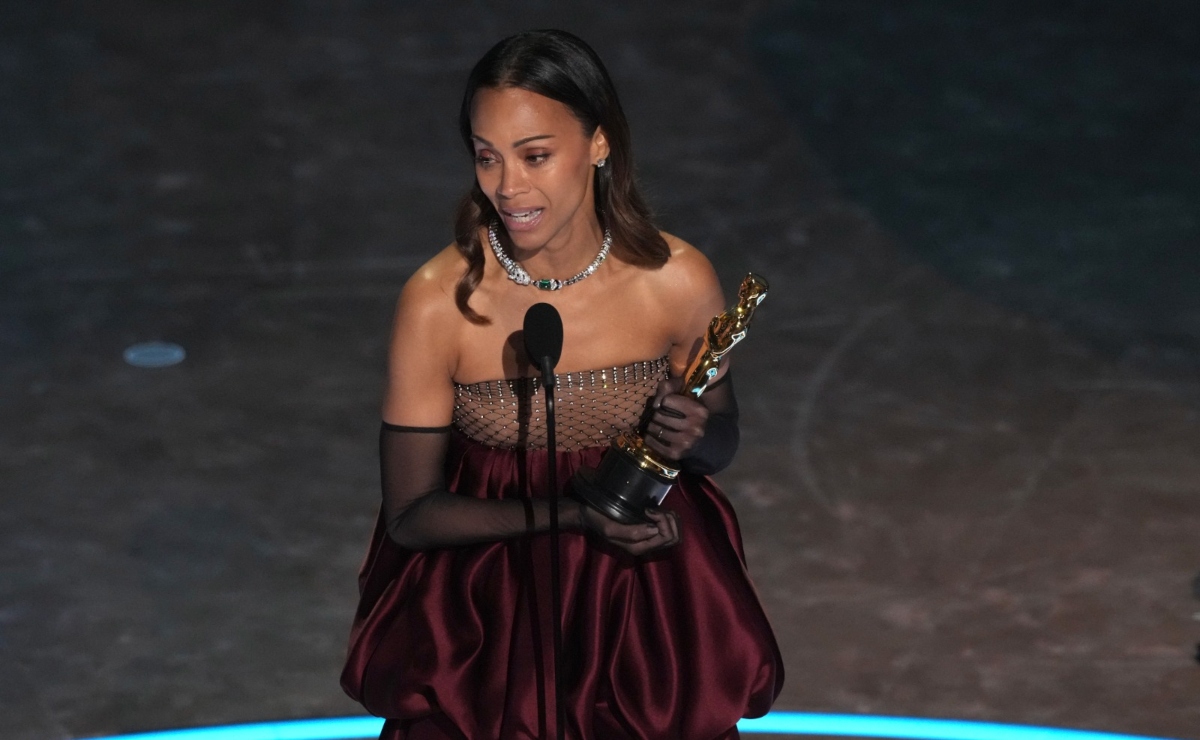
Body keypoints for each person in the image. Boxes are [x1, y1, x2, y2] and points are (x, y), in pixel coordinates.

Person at [341, 29, 783, 740]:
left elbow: (720, 439)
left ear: (599, 144)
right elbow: (412, 514)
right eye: (488, 158)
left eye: (535, 155)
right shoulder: (438, 302)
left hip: (640, 620)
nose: (508, 187)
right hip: (488, 630)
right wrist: (575, 517)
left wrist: (699, 435)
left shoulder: (676, 279)